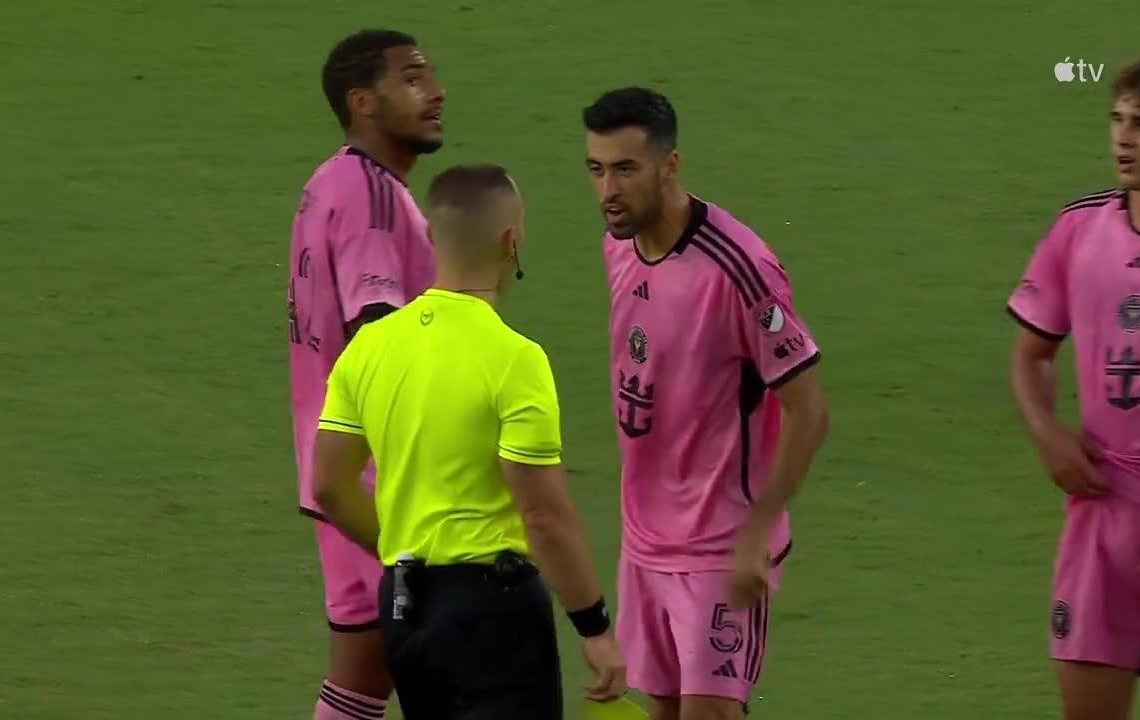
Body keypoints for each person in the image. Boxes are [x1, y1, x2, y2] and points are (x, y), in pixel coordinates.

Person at [310, 164, 627, 719]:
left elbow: (329, 486)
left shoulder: (368, 348)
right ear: (512, 241)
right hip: (493, 614)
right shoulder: (515, 360)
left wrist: (408, 552)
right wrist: (593, 625)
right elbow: (543, 514)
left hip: (405, 607)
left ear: (431, 236)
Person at [581, 87, 830, 720]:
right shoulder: (617, 245)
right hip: (644, 542)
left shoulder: (740, 269)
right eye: (597, 169)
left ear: (670, 166)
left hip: (721, 545)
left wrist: (758, 530)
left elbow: (809, 409)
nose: (608, 189)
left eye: (626, 169)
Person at [287, 28, 444, 720]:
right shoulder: (371, 197)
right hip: (384, 485)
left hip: (338, 470)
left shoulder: (329, 183)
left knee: (358, 683)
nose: (434, 92)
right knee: (461, 678)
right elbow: (377, 335)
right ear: (363, 102)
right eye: (412, 78)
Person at [1007, 56, 1140, 720]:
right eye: (1117, 120)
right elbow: (1031, 355)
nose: (1123, 138)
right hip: (1103, 510)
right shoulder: (1080, 228)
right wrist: (1047, 432)